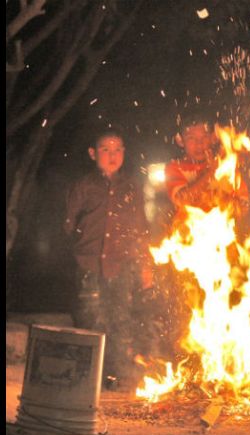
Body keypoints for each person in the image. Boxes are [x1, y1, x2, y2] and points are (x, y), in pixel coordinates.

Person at [64, 126, 154, 390]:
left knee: (119, 320)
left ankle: (117, 378)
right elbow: (68, 225)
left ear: (124, 153)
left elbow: (141, 228)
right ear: (93, 153)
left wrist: (145, 265)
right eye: (105, 149)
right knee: (89, 318)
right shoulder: (83, 186)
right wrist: (80, 251)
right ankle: (85, 379)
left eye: (117, 150)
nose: (111, 155)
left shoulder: (132, 187)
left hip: (121, 265)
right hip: (89, 264)